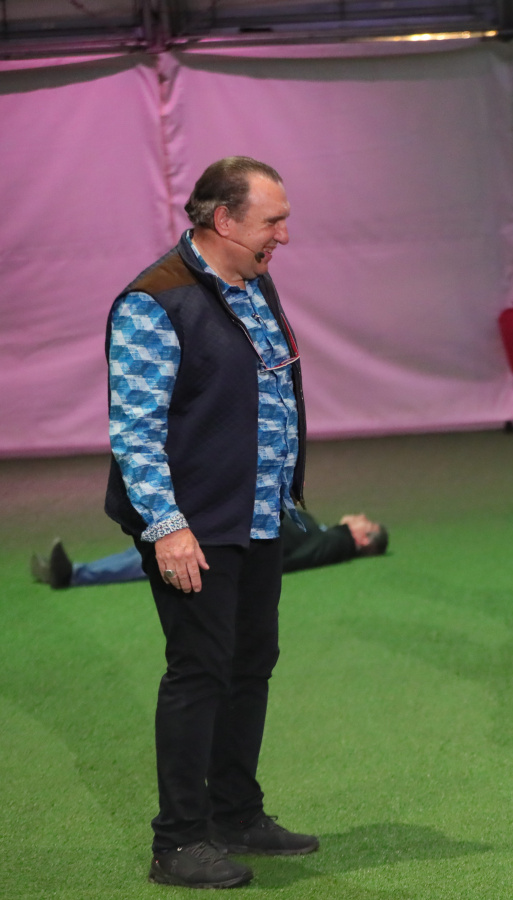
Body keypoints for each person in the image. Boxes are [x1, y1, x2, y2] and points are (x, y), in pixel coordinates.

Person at [105, 157, 315, 889]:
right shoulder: (153, 301)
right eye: (271, 222)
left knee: (251, 662)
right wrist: (167, 526)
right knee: (199, 671)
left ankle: (235, 813)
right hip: (193, 525)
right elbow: (135, 432)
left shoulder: (253, 282)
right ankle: (177, 842)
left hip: (256, 515)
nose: (283, 236)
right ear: (223, 220)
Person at [30, 511, 389, 589]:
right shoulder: (329, 534)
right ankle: (71, 572)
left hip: (238, 544)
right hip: (236, 532)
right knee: (150, 556)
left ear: (364, 539)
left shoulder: (338, 542)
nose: (359, 516)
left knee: (154, 561)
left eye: (366, 523)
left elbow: (294, 559)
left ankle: (72, 574)